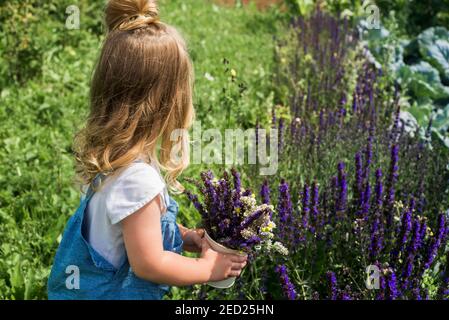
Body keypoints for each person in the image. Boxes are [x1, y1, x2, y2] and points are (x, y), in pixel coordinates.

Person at [47, 0, 247, 300]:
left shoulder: (118, 159)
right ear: (168, 102)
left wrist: (185, 238)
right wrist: (208, 270)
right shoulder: (137, 179)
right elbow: (149, 264)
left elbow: (133, 229)